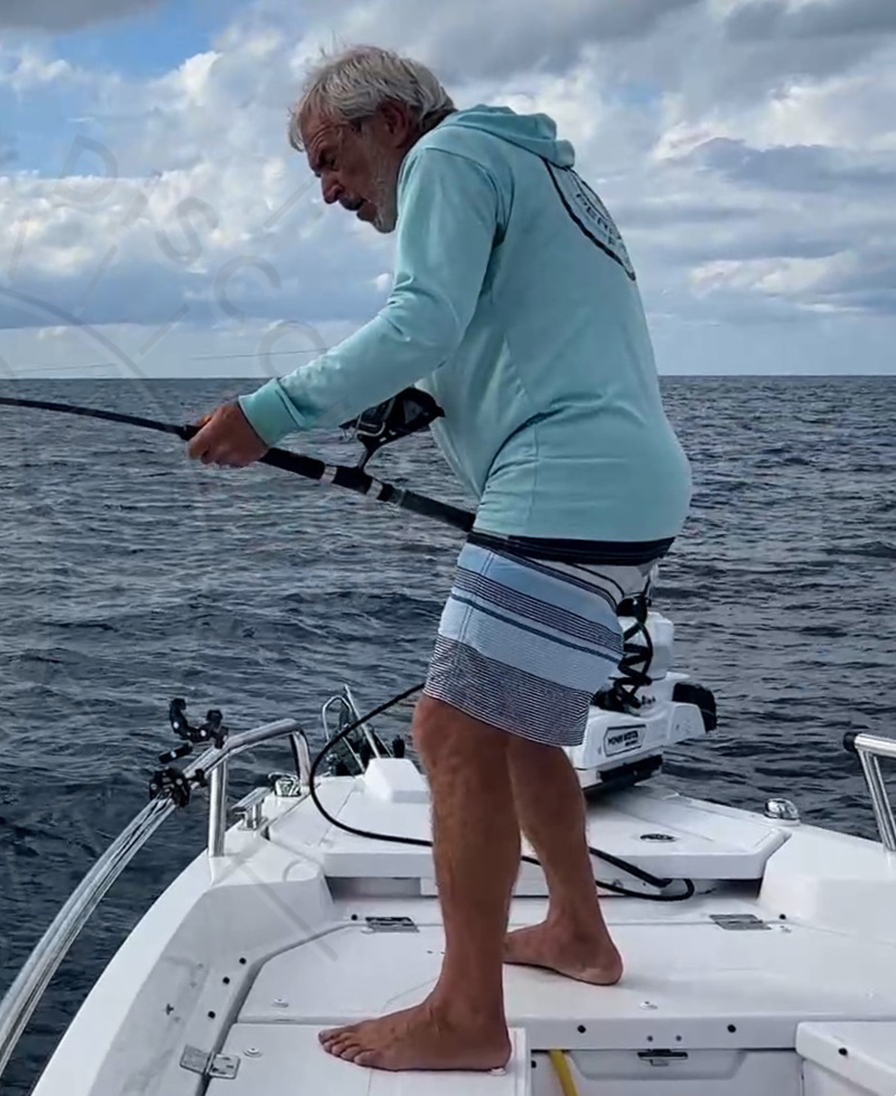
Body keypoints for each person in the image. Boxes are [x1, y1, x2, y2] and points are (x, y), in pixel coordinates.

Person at [185, 45, 693, 1072]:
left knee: (448, 727)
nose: (327, 190)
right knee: (513, 728)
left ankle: (466, 1014)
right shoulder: (541, 171)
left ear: (390, 123)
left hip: (568, 482)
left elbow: (424, 318)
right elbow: (516, 331)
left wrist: (265, 413)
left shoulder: (451, 159)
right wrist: (435, 395)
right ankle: (578, 932)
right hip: (629, 483)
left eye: (330, 159)